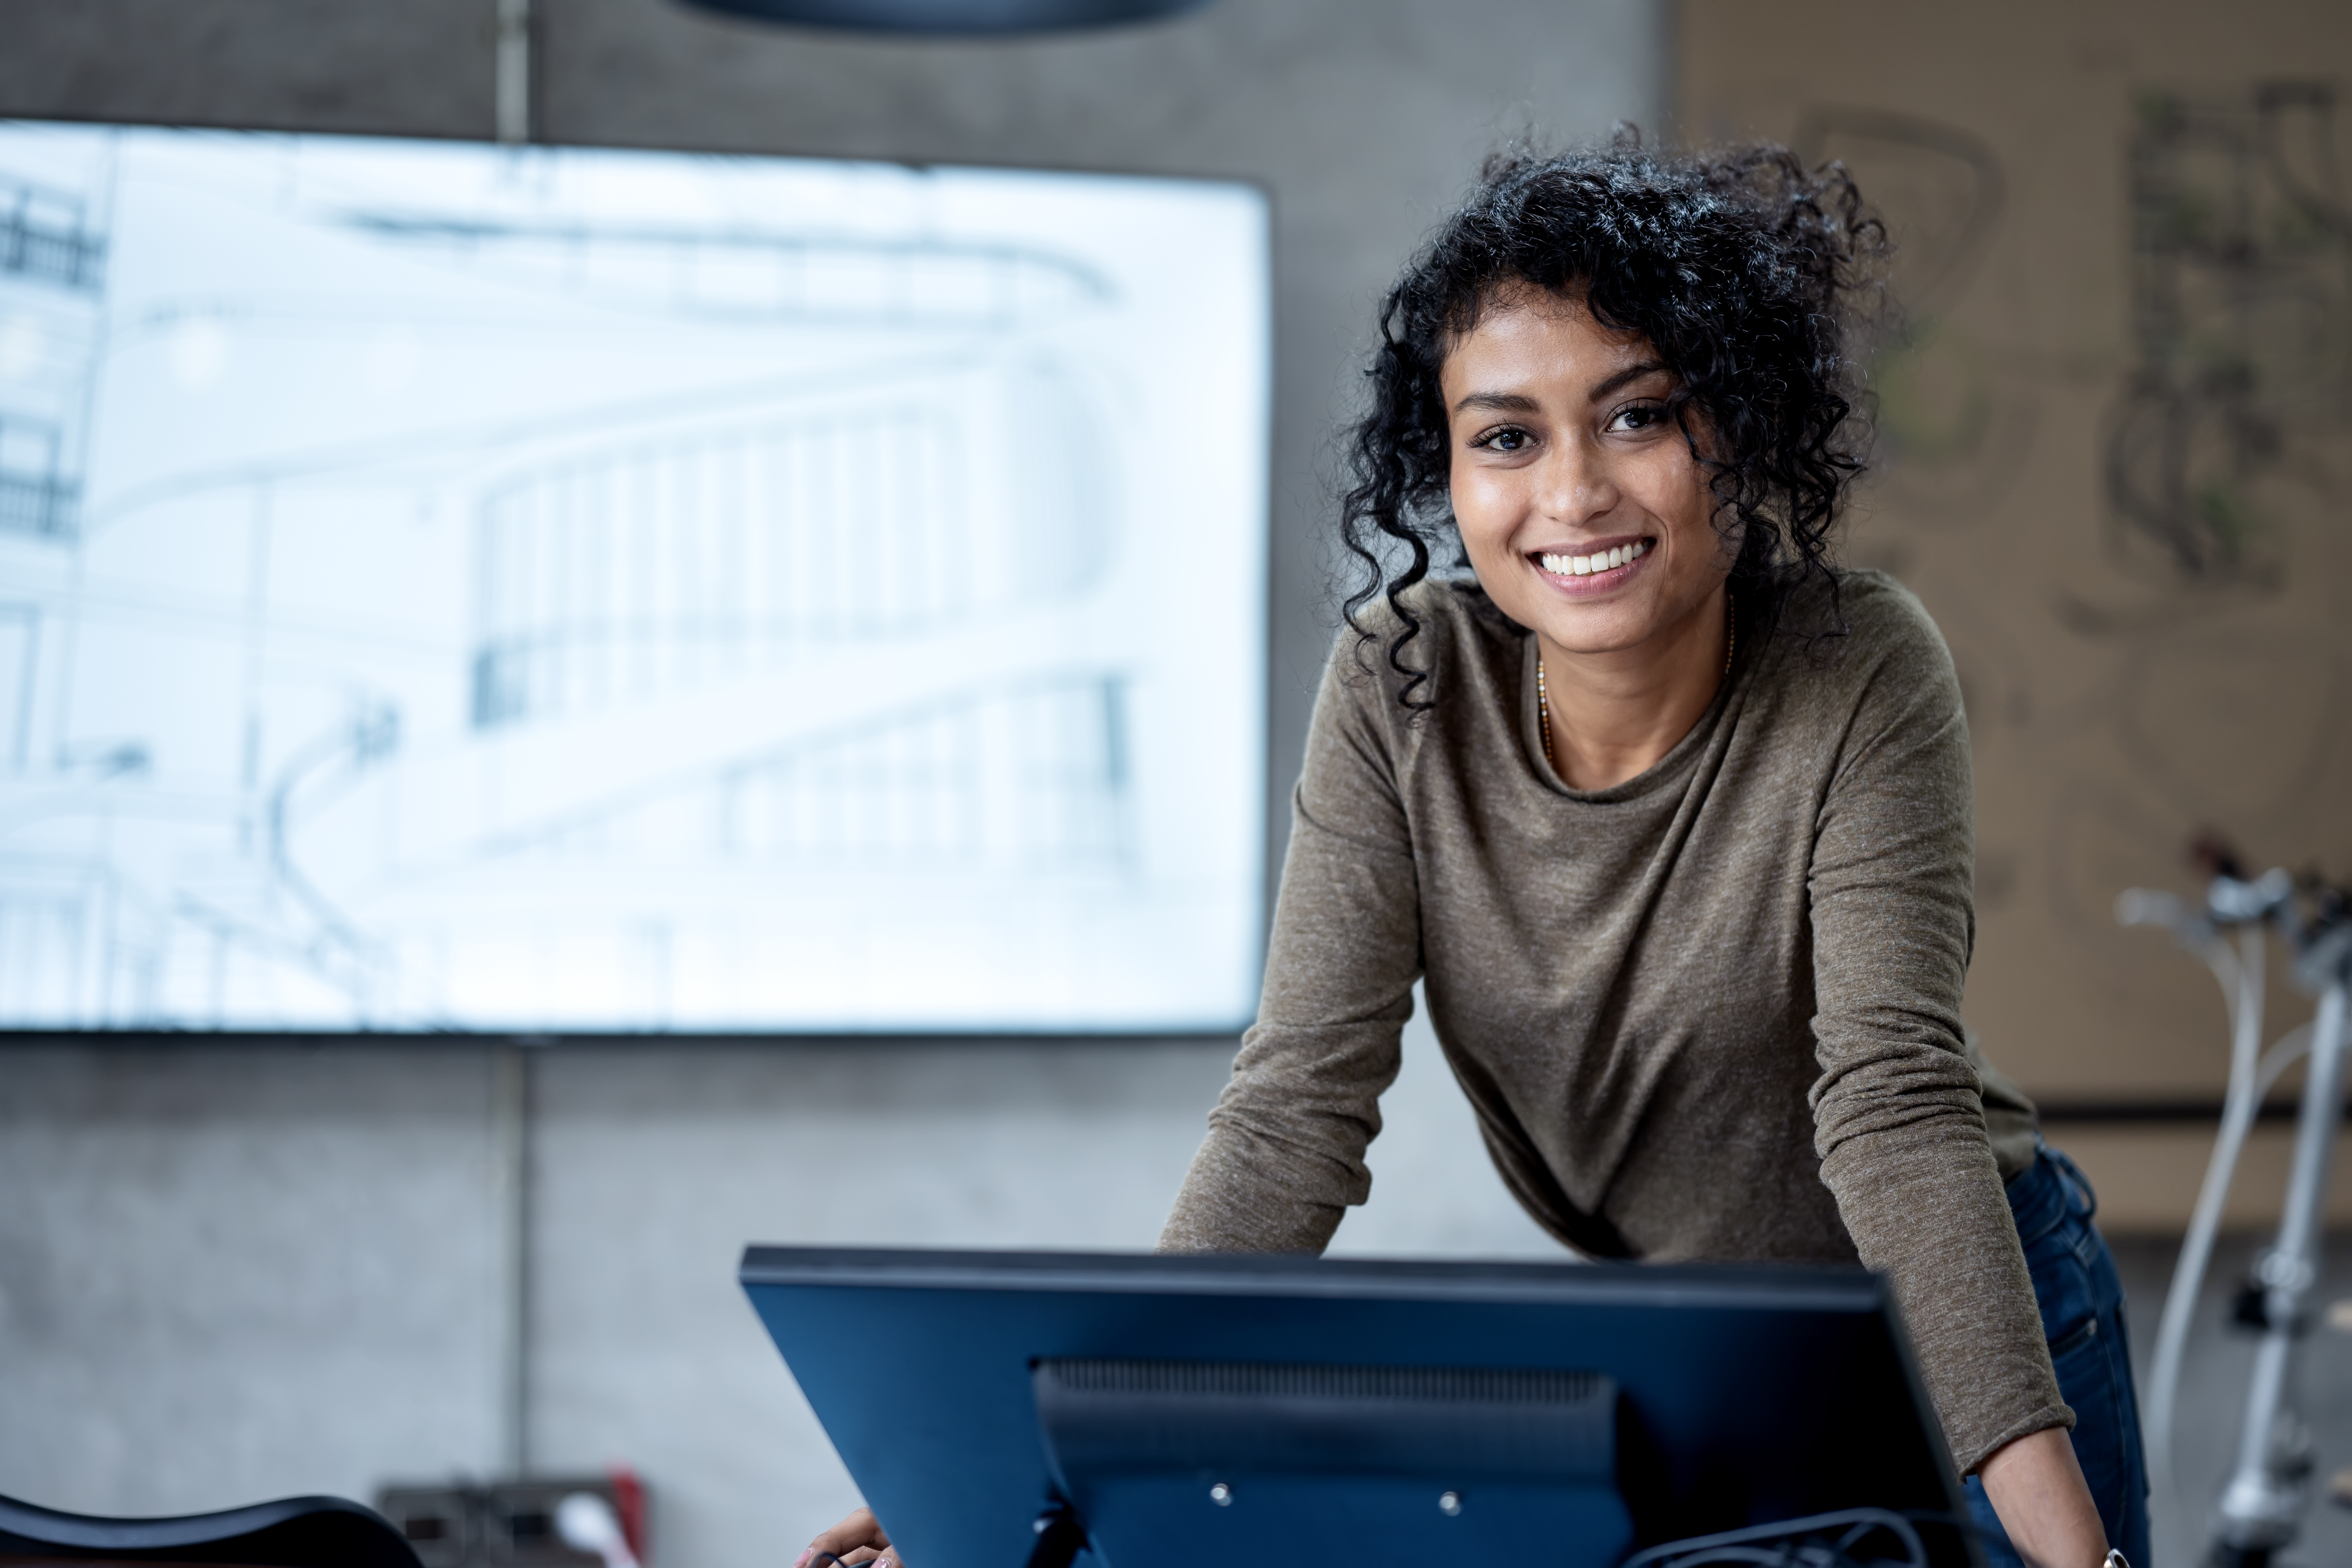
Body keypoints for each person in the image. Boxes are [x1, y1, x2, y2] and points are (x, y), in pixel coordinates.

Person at [800, 138, 2149, 1568]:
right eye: (1506, 437)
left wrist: (2082, 1566)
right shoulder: (1402, 683)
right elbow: (1293, 1114)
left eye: (1637, 417)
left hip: (1981, 1301)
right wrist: (1011, 1477)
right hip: (1717, 1343)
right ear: (1446, 467)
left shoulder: (1855, 665)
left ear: (1737, 432)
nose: (1570, 495)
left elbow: (1891, 1105)